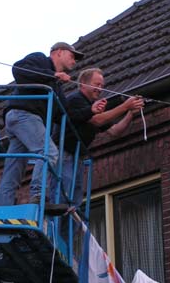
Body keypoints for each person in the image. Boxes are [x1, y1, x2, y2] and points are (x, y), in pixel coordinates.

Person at [0, 42, 84, 206]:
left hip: (22, 120)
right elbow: (19, 70)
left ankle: (3, 207)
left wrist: (91, 111)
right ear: (58, 52)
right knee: (49, 153)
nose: (74, 61)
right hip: (24, 115)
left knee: (14, 167)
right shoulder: (40, 59)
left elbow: (65, 113)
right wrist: (53, 75)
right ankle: (38, 195)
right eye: (72, 56)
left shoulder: (56, 86)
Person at [51, 67, 145, 208]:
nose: (100, 89)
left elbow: (114, 131)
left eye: (102, 86)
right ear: (83, 83)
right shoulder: (75, 99)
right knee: (63, 196)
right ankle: (57, 227)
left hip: (77, 156)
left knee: (74, 201)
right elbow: (97, 120)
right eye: (97, 84)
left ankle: (68, 227)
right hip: (64, 153)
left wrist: (130, 113)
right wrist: (125, 106)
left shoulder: (93, 106)